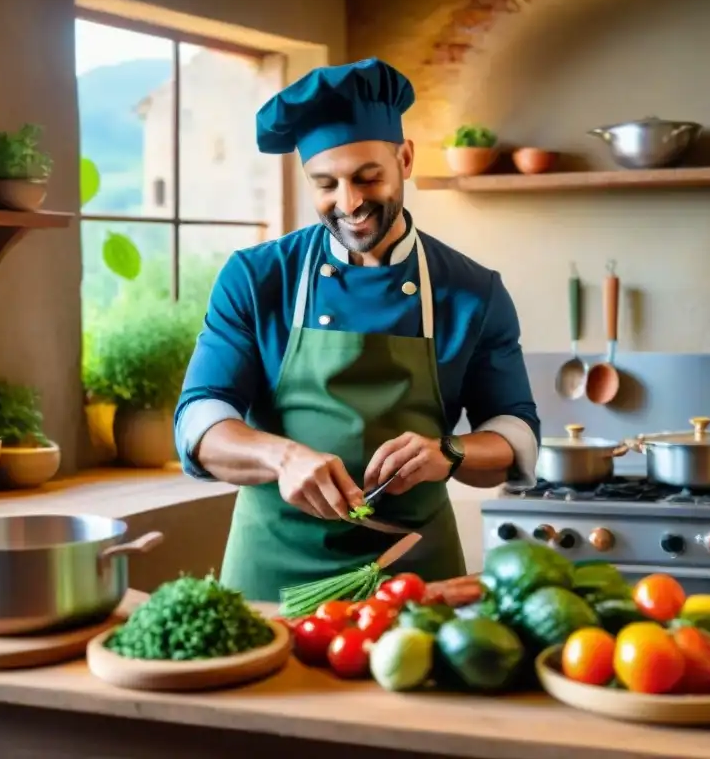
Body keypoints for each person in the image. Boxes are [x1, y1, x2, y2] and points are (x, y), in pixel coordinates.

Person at [174, 57, 540, 602]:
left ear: (405, 158)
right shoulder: (257, 278)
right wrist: (282, 457)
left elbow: (515, 432)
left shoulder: (472, 292)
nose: (349, 203)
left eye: (368, 177)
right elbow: (200, 422)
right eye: (326, 184)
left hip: (415, 572)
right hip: (271, 575)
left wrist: (452, 453)